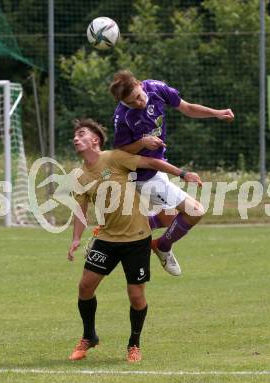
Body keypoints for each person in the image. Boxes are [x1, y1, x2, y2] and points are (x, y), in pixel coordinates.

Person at [67, 118, 201, 363]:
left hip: (137, 239)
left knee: (136, 296)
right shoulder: (79, 176)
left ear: (95, 140)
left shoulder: (115, 157)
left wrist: (182, 173)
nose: (76, 138)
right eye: (75, 136)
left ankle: (134, 344)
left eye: (82, 134)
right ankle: (89, 336)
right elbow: (80, 209)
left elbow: (150, 162)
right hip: (106, 239)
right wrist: (76, 238)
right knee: (85, 288)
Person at [109, 70, 234, 276]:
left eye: (139, 97)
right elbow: (119, 154)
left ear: (140, 84)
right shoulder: (122, 117)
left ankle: (115, 232)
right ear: (124, 103)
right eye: (132, 103)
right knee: (194, 211)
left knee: (170, 219)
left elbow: (187, 108)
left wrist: (216, 113)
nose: (139, 103)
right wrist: (142, 142)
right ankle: (161, 246)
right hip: (144, 175)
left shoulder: (156, 88)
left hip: (159, 166)